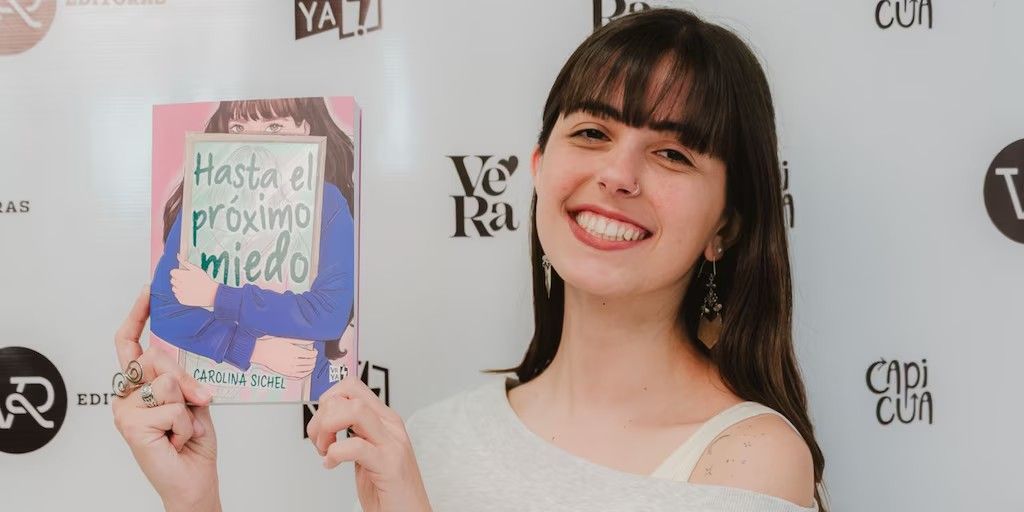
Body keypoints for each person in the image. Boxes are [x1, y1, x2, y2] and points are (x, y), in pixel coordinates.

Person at [112, 8, 827, 511]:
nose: (618, 174)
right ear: (540, 167)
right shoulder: (430, 441)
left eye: (672, 153)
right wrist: (194, 498)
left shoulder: (751, 460)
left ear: (725, 226)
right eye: (592, 133)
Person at [149, 97, 356, 401]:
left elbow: (329, 312)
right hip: (211, 397)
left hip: (305, 400)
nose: (256, 140)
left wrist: (219, 296)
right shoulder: (202, 199)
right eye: (238, 127)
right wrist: (255, 350)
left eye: (274, 127)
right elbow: (164, 311)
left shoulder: (327, 202)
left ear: (305, 129)